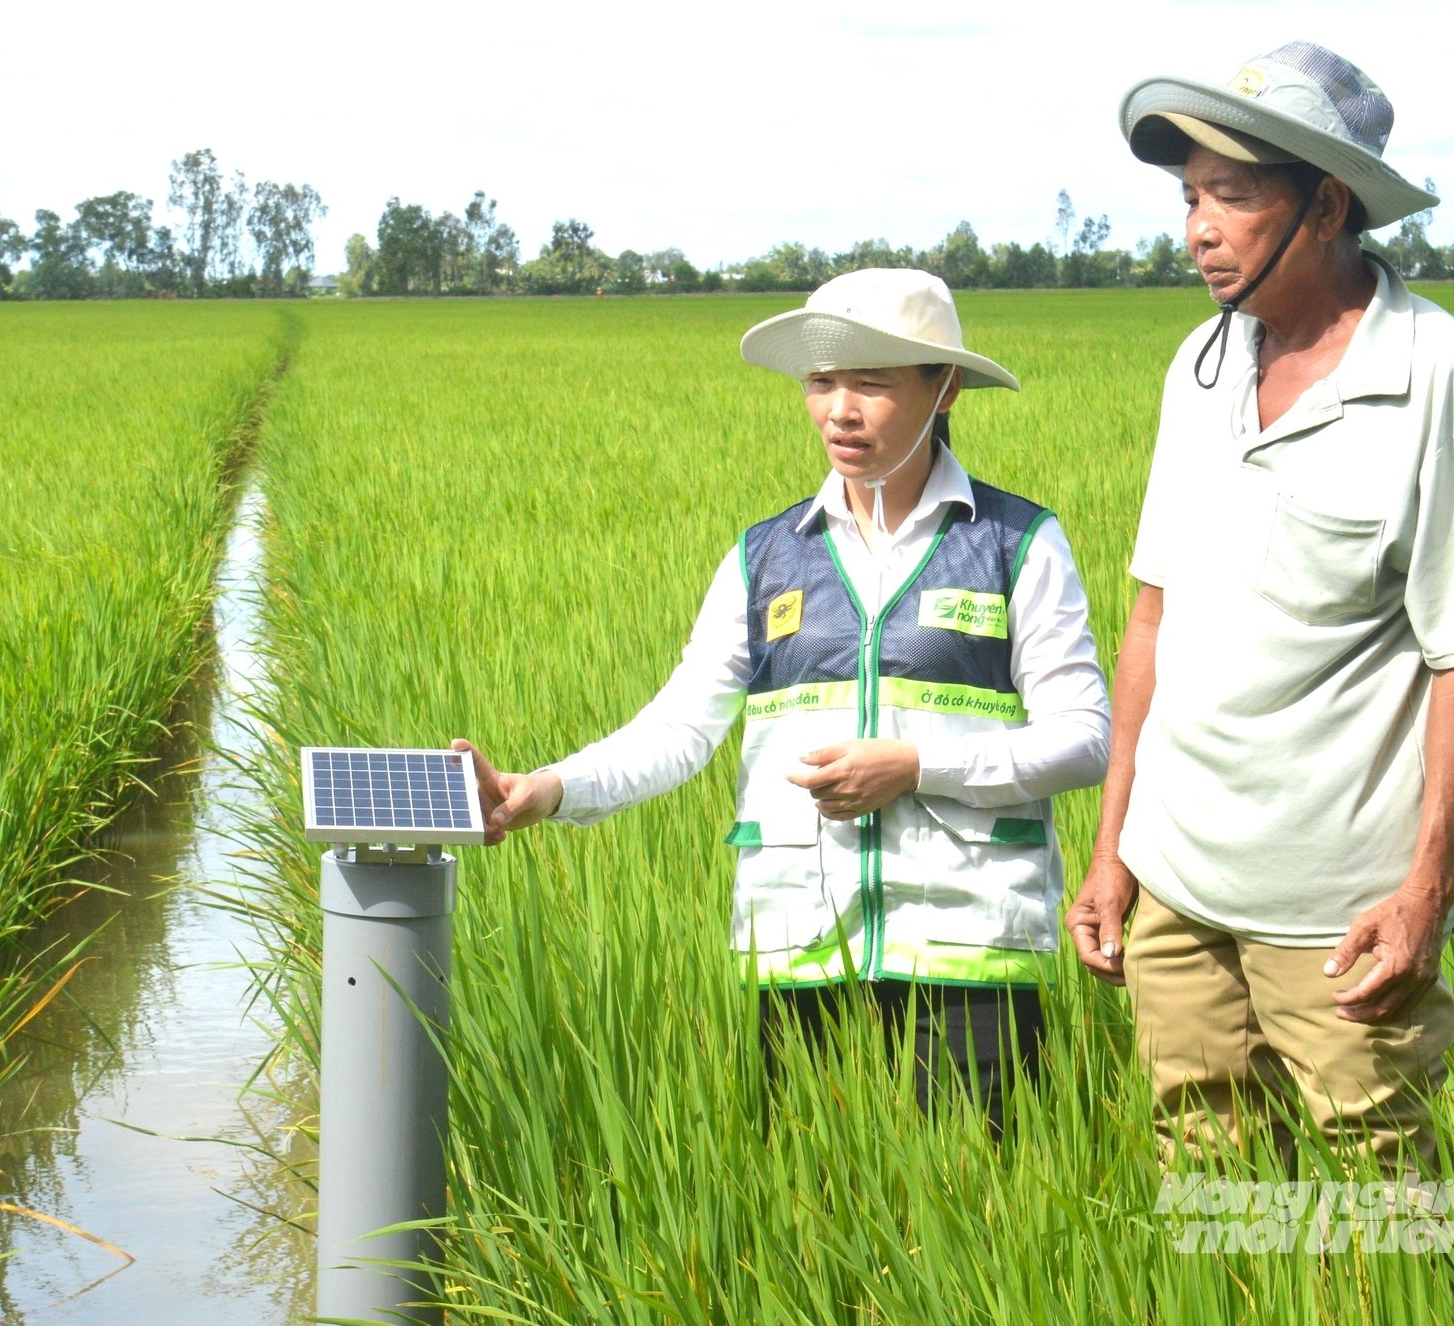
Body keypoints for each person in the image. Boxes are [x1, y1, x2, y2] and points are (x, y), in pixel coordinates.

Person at [456, 269, 1110, 1131]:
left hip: (971, 951)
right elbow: (683, 724)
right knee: (809, 1221)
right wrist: (547, 789)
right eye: (821, 382)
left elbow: (1083, 739)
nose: (840, 409)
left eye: (872, 383)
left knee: (978, 1216)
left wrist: (918, 766)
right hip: (801, 942)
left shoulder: (1015, 543)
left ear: (944, 387)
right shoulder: (766, 557)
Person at [1068, 42, 1454, 1173]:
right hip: (1176, 884)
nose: (1198, 229)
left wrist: (1425, 893)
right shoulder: (1201, 362)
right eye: (1188, 198)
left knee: (1380, 1201)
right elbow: (1151, 621)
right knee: (1205, 1168)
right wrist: (1114, 849)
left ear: (1325, 205)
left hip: (1336, 907)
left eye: (1233, 195)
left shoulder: (1439, 375)